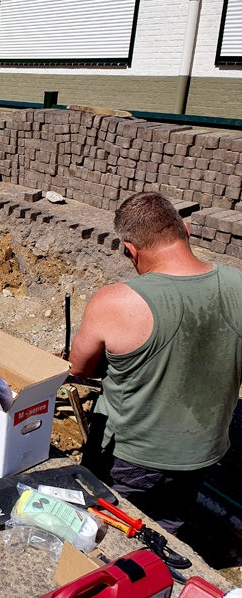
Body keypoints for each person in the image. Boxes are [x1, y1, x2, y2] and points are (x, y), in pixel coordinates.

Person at [69, 192, 242, 536]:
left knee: (106, 533)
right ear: (187, 231)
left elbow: (78, 369)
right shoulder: (239, 283)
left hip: (130, 458)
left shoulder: (115, 301)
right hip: (201, 452)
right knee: (167, 530)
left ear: (131, 251)